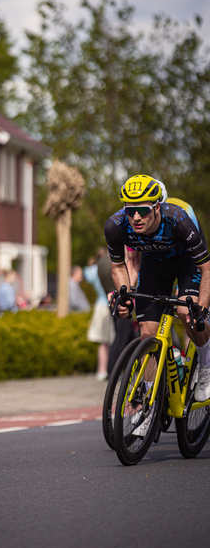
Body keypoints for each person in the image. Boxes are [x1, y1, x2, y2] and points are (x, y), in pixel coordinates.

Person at [104, 174, 210, 415]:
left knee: (187, 312)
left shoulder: (178, 220)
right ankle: (149, 399)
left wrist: (201, 308)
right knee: (147, 334)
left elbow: (206, 268)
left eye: (143, 210)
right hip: (154, 266)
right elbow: (119, 266)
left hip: (188, 264)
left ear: (157, 207)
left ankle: (206, 362)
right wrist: (125, 296)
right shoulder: (115, 226)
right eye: (131, 211)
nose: (136, 217)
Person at [97, 247, 137, 377]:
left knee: (127, 337)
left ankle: (121, 370)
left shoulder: (102, 264)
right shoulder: (109, 264)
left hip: (115, 301)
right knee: (121, 337)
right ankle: (113, 371)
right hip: (119, 301)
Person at [84, 249, 115, 380]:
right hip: (106, 304)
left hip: (100, 304)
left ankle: (102, 369)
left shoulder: (92, 270)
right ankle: (103, 370)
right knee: (106, 340)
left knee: (104, 341)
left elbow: (86, 273)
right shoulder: (106, 268)